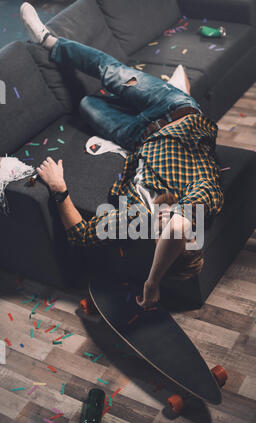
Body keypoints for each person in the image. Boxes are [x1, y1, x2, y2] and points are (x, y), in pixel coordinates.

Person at [20, 2, 224, 308]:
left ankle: (142, 93)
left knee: (88, 104)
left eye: (160, 235)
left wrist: (60, 189)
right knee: (111, 72)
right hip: (174, 109)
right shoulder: (205, 192)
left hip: (137, 136)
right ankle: (49, 42)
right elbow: (179, 227)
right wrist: (152, 282)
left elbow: (82, 235)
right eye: (174, 231)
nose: (165, 224)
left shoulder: (136, 219)